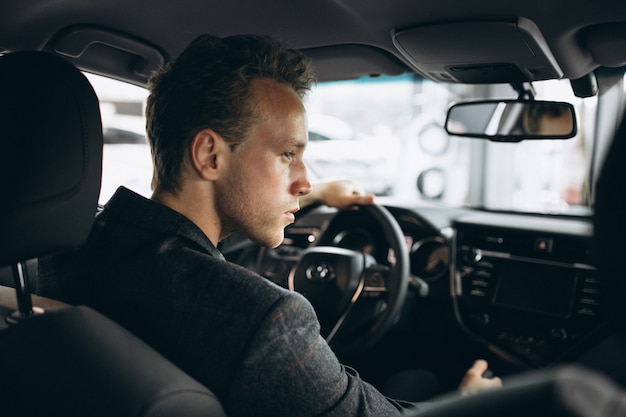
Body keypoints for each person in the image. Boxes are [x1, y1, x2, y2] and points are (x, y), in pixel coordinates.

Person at [38, 34, 501, 416]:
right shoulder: (267, 319)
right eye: (287, 155)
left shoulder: (69, 252)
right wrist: (470, 406)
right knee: (420, 379)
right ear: (210, 155)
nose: (305, 181)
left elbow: (193, 260)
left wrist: (318, 196)